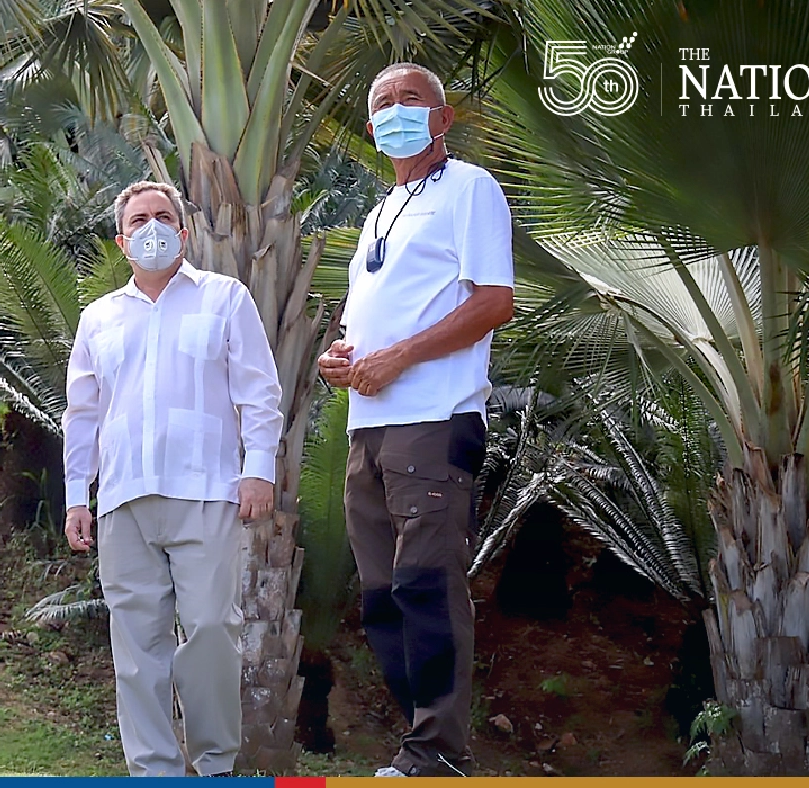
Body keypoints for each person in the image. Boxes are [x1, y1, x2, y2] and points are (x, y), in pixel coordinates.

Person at [317, 63, 514, 778]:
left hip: (434, 419)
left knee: (427, 584)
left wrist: (400, 358)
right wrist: (336, 360)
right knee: (382, 598)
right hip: (366, 427)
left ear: (443, 118)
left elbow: (494, 302)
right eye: (383, 104)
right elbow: (367, 322)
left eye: (411, 99)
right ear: (372, 130)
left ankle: (440, 751)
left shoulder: (469, 189)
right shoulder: (381, 210)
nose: (397, 111)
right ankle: (422, 744)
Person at [62, 180, 284, 777]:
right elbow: (82, 413)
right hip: (122, 500)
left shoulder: (226, 298)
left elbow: (259, 392)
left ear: (184, 233)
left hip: (207, 491)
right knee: (137, 648)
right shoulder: (99, 317)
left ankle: (214, 763)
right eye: (139, 219)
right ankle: (154, 770)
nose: (152, 226)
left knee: (211, 628)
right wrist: (74, 497)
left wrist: (258, 468)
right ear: (122, 238)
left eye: (164, 216)